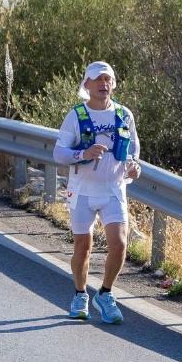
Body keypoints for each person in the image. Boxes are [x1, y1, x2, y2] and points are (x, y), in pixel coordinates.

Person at [52, 61, 141, 324]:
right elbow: (59, 153)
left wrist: (135, 168)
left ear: (113, 84)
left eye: (108, 80)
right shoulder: (76, 115)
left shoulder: (124, 115)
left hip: (113, 188)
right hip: (82, 191)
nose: (104, 85)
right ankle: (80, 295)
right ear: (86, 85)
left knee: (120, 243)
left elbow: (133, 150)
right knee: (83, 247)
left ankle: (105, 293)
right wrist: (83, 153)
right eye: (98, 80)